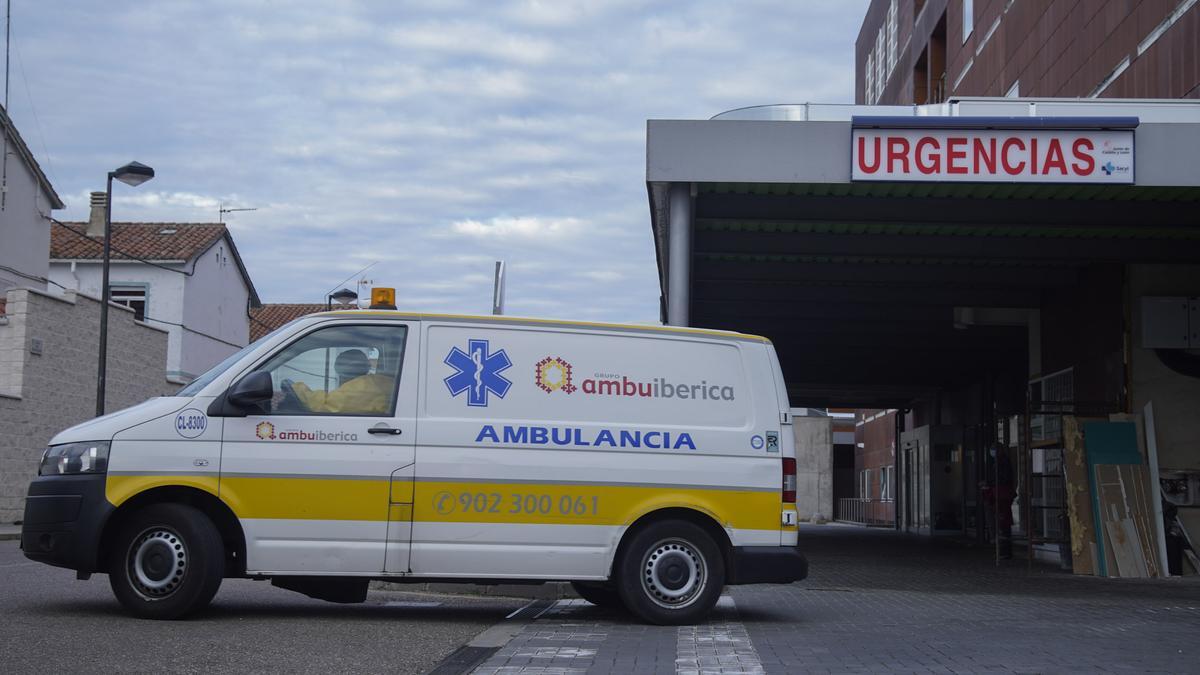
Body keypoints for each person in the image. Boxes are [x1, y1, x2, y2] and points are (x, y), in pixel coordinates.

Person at [285, 349, 393, 414]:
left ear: (344, 371)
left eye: (339, 371)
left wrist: (295, 388)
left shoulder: (361, 388)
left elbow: (325, 405)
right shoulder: (379, 382)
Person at [980, 443, 1016, 559]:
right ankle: (1002, 549)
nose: (993, 453)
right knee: (1000, 521)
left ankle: (1004, 550)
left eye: (994, 450)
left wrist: (989, 483)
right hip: (998, 495)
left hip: (1001, 496)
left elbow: (1003, 478)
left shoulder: (1003, 462)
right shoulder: (996, 462)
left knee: (1002, 521)